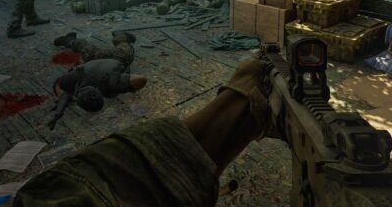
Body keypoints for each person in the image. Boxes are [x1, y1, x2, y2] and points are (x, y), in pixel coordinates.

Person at [14, 54, 270, 206]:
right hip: (109, 64)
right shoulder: (81, 80)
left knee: (72, 186)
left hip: (112, 60)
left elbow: (139, 80)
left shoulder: (78, 81)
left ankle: (242, 108)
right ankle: (243, 108)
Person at [47, 31, 147, 129]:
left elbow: (141, 79)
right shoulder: (76, 77)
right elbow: (61, 89)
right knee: (83, 46)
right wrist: (59, 112)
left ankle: (121, 36)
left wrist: (129, 85)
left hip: (112, 57)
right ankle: (70, 40)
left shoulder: (111, 83)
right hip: (94, 59)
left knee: (124, 47)